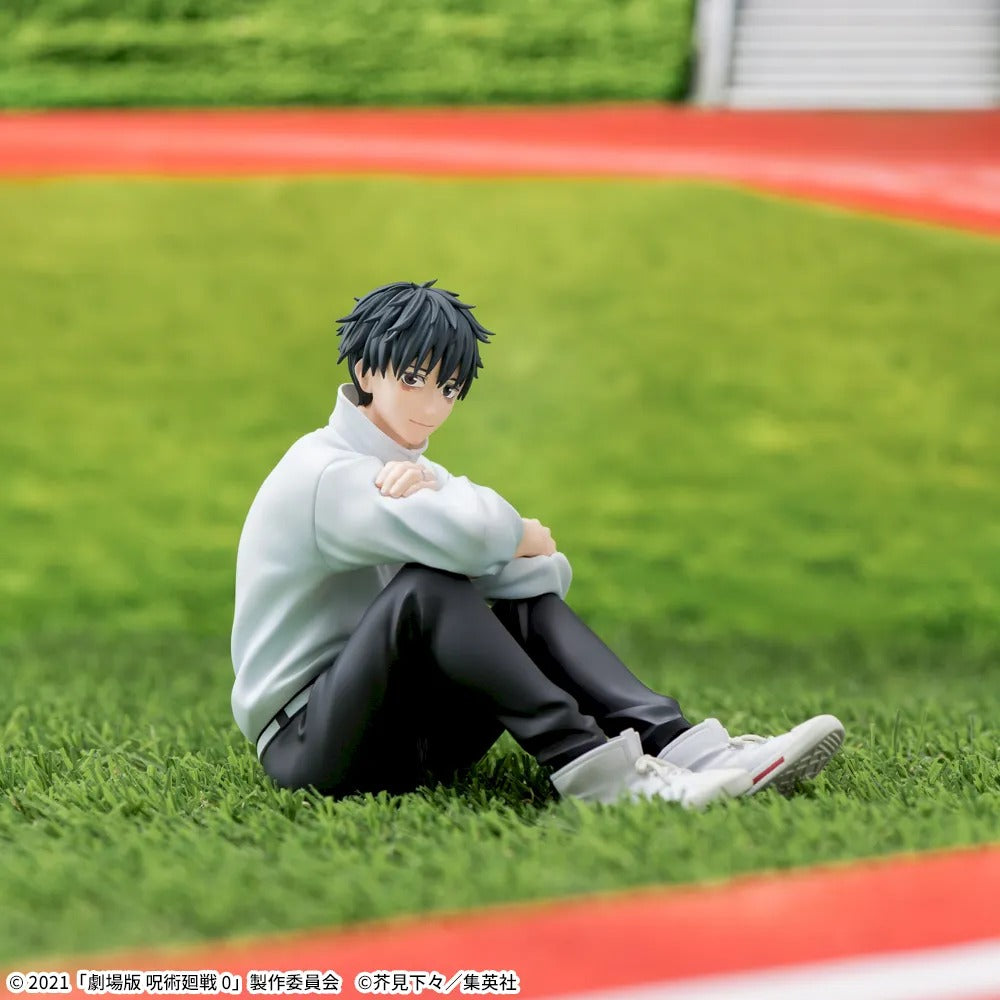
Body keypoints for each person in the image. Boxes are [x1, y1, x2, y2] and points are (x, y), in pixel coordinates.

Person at [231, 280, 844, 808]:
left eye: (449, 388)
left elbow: (542, 575)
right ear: (367, 371)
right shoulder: (325, 473)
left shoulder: (418, 476)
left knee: (508, 606)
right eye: (413, 379)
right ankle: (603, 775)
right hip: (312, 747)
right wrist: (511, 533)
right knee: (426, 589)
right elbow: (487, 543)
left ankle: (688, 747)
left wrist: (482, 528)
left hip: (409, 736)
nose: (432, 406)